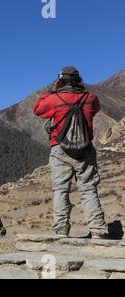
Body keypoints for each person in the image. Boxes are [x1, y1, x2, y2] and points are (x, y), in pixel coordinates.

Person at [33, 66, 109, 239]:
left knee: (60, 189)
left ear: (61, 80)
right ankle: (97, 229)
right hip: (85, 149)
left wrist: (51, 91)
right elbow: (95, 109)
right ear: (78, 80)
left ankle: (62, 229)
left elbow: (38, 109)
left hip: (60, 150)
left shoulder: (54, 98)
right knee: (88, 188)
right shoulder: (90, 97)